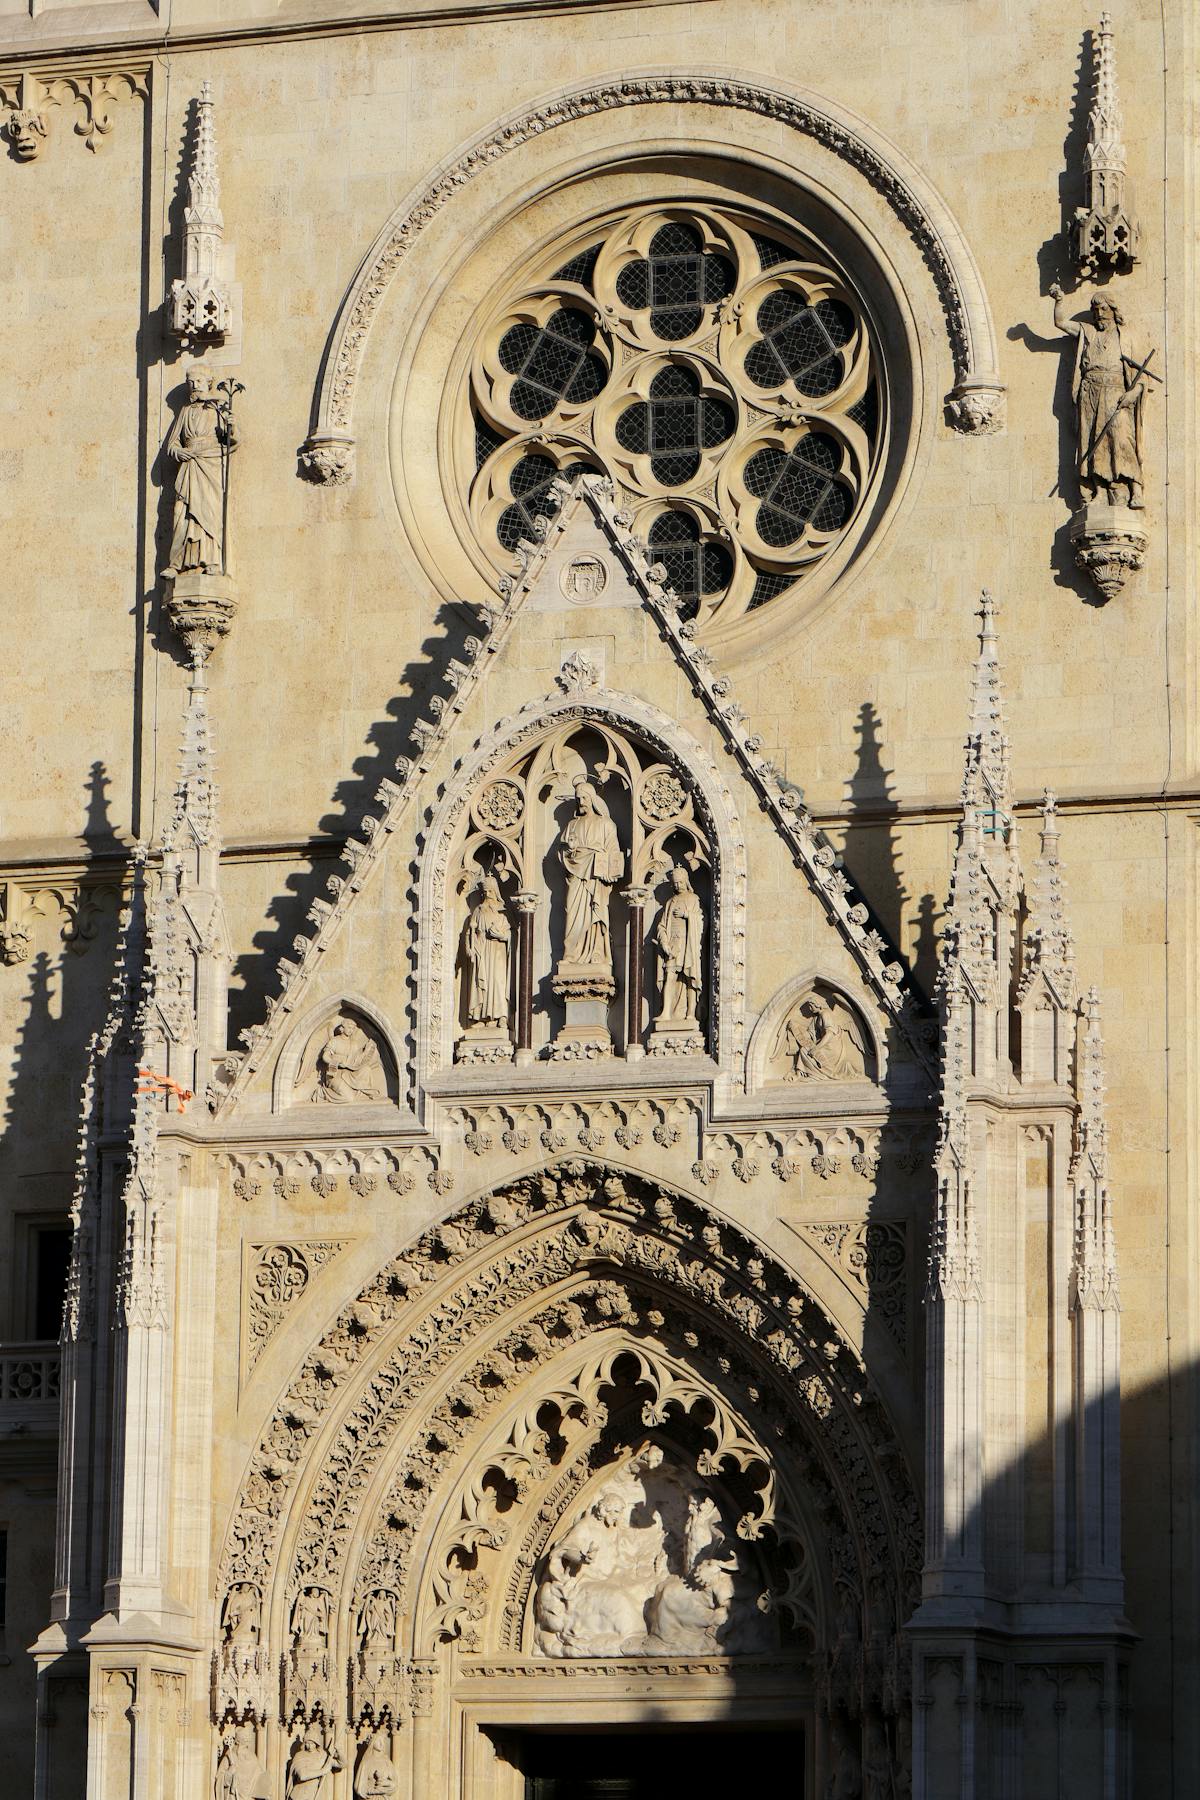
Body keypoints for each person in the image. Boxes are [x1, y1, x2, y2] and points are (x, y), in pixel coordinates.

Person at [1049, 284, 1148, 508]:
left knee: (1122, 438)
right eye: (1095, 310)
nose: (1099, 314)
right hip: (1090, 393)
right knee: (1093, 441)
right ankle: (1100, 491)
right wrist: (1059, 300)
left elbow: (1141, 375)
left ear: (1113, 310)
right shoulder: (1088, 332)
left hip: (1116, 392)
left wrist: (1133, 393)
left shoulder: (1127, 335)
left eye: (1103, 309)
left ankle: (1134, 487)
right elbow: (1061, 323)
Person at [164, 367, 237, 575]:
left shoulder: (218, 408)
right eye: (191, 382)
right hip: (190, 465)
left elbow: (233, 439)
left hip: (211, 464)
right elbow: (172, 444)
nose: (194, 386)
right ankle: (177, 563)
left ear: (208, 383)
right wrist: (180, 452)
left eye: (198, 381)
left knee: (210, 512)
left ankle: (213, 561)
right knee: (182, 513)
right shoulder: (186, 411)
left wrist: (232, 427)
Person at [557, 779, 624, 977]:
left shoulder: (606, 825)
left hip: (596, 879)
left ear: (592, 799)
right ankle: (571, 953)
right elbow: (560, 854)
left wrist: (607, 868)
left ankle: (597, 952)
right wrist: (569, 851)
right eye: (578, 799)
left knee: (596, 913)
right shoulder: (572, 825)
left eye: (584, 798)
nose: (581, 802)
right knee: (573, 913)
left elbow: (614, 853)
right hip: (577, 876)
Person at [653, 865, 704, 1027]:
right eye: (674, 883)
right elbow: (661, 926)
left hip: (688, 944)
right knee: (670, 976)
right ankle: (666, 1012)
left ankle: (690, 1013)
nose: (677, 886)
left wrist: (687, 915)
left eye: (680, 882)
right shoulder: (670, 902)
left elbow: (703, 920)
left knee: (690, 978)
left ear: (686, 881)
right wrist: (665, 943)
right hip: (673, 945)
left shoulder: (693, 899)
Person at [463, 874, 511, 1028]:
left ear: (495, 892)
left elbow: (511, 934)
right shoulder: (478, 910)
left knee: (497, 982)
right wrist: (469, 948)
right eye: (485, 892)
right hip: (482, 950)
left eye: (490, 891)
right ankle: (480, 1016)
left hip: (498, 952)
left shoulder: (503, 911)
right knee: (480, 983)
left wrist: (502, 935)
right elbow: (470, 932)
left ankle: (500, 1016)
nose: (487, 895)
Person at [313, 1017, 383, 1102]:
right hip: (336, 1074)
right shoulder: (335, 1041)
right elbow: (325, 1056)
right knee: (349, 1098)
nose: (351, 1030)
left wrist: (367, 1051)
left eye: (353, 1029)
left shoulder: (354, 1043)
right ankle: (322, 1093)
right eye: (349, 1028)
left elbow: (355, 1060)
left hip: (349, 1073)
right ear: (342, 1028)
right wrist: (336, 1062)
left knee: (366, 1069)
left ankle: (360, 1091)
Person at [215, 1726, 269, 1800]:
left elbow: (260, 1778)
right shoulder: (230, 1756)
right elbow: (220, 1779)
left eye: (247, 1737)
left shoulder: (252, 1757)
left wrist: (266, 1791)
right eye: (244, 1738)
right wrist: (229, 1773)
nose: (246, 1739)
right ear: (237, 1741)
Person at [286, 1728, 343, 1798]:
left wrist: (339, 1751)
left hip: (316, 1793)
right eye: (307, 1743)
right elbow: (302, 1775)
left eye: (312, 1743)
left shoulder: (322, 1755)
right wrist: (322, 1771)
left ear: (316, 1743)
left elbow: (342, 1764)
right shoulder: (299, 1755)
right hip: (301, 1795)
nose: (309, 1746)